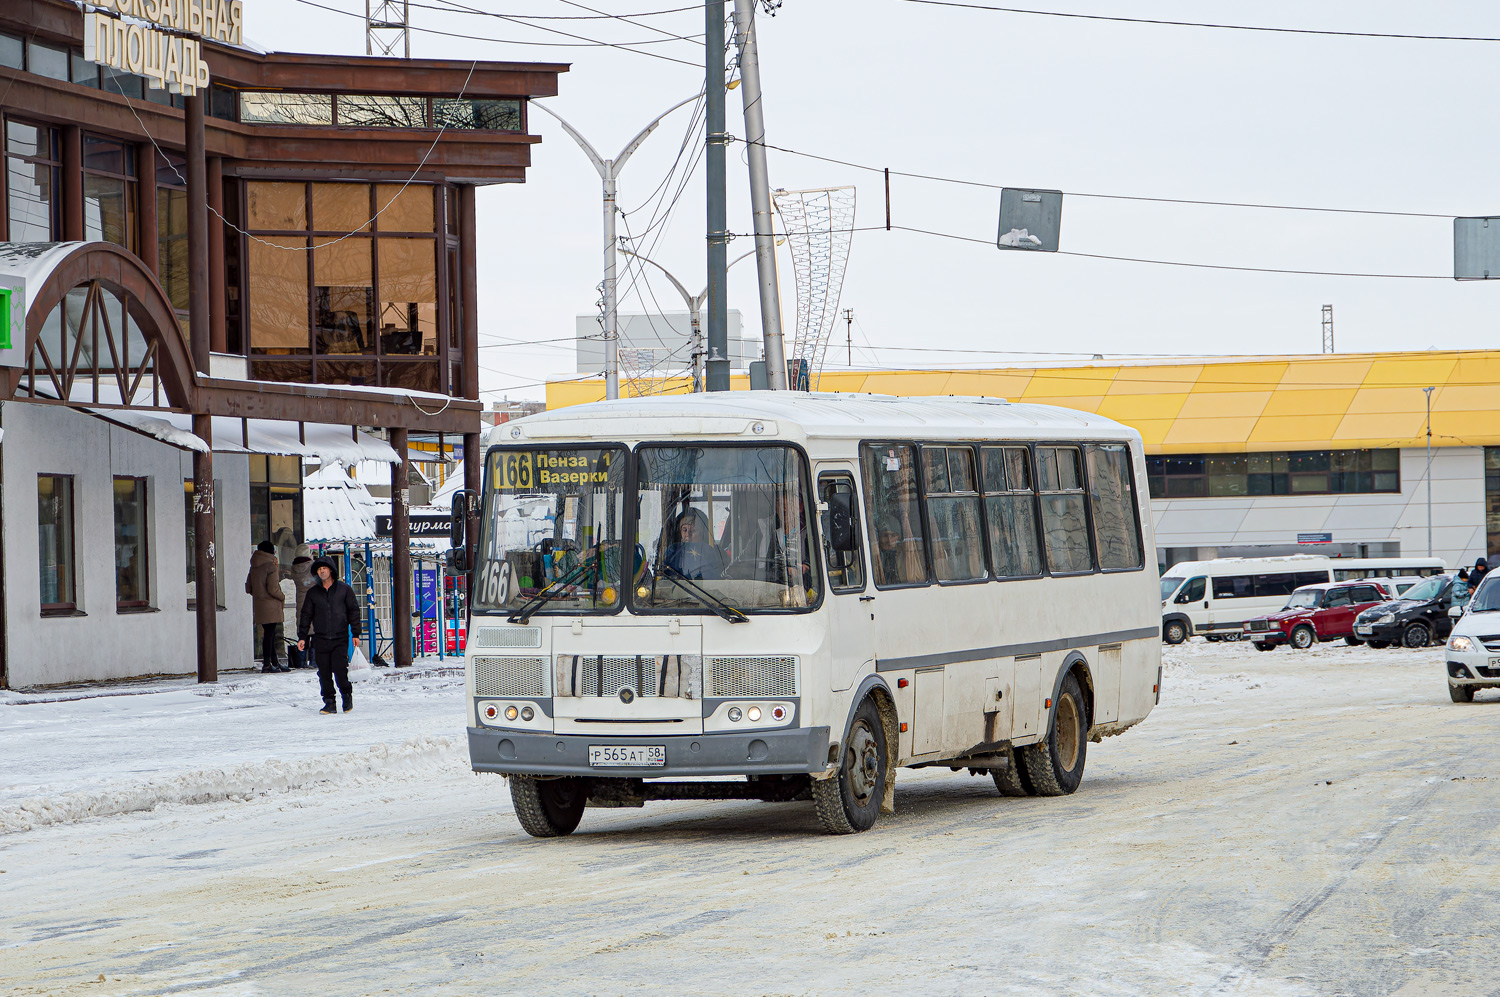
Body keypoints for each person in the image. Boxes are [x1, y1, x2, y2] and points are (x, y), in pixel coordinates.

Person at [297, 558, 361, 714]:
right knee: (323, 672)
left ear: (331, 570)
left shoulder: (344, 590)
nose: (322, 571)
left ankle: (346, 696)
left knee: (340, 670)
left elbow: (353, 611)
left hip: (340, 637)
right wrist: (302, 636)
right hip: (320, 638)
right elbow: (306, 615)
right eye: (319, 569)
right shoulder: (313, 592)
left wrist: (356, 633)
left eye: (325, 568)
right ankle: (329, 702)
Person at [245, 540, 287, 673]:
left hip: (259, 604)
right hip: (271, 605)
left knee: (269, 633)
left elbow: (248, 588)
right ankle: (268, 664)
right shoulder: (270, 566)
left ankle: (274, 662)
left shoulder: (254, 566)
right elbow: (273, 588)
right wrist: (282, 596)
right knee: (270, 634)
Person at [664, 508, 724, 579]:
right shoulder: (673, 552)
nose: (688, 534)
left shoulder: (713, 553)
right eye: (684, 530)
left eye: (693, 530)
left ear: (703, 533)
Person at [287, 546, 317, 669]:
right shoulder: (313, 566)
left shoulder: (294, 568)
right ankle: (314, 660)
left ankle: (302, 660)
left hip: (300, 602)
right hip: (313, 601)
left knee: (303, 632)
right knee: (315, 631)